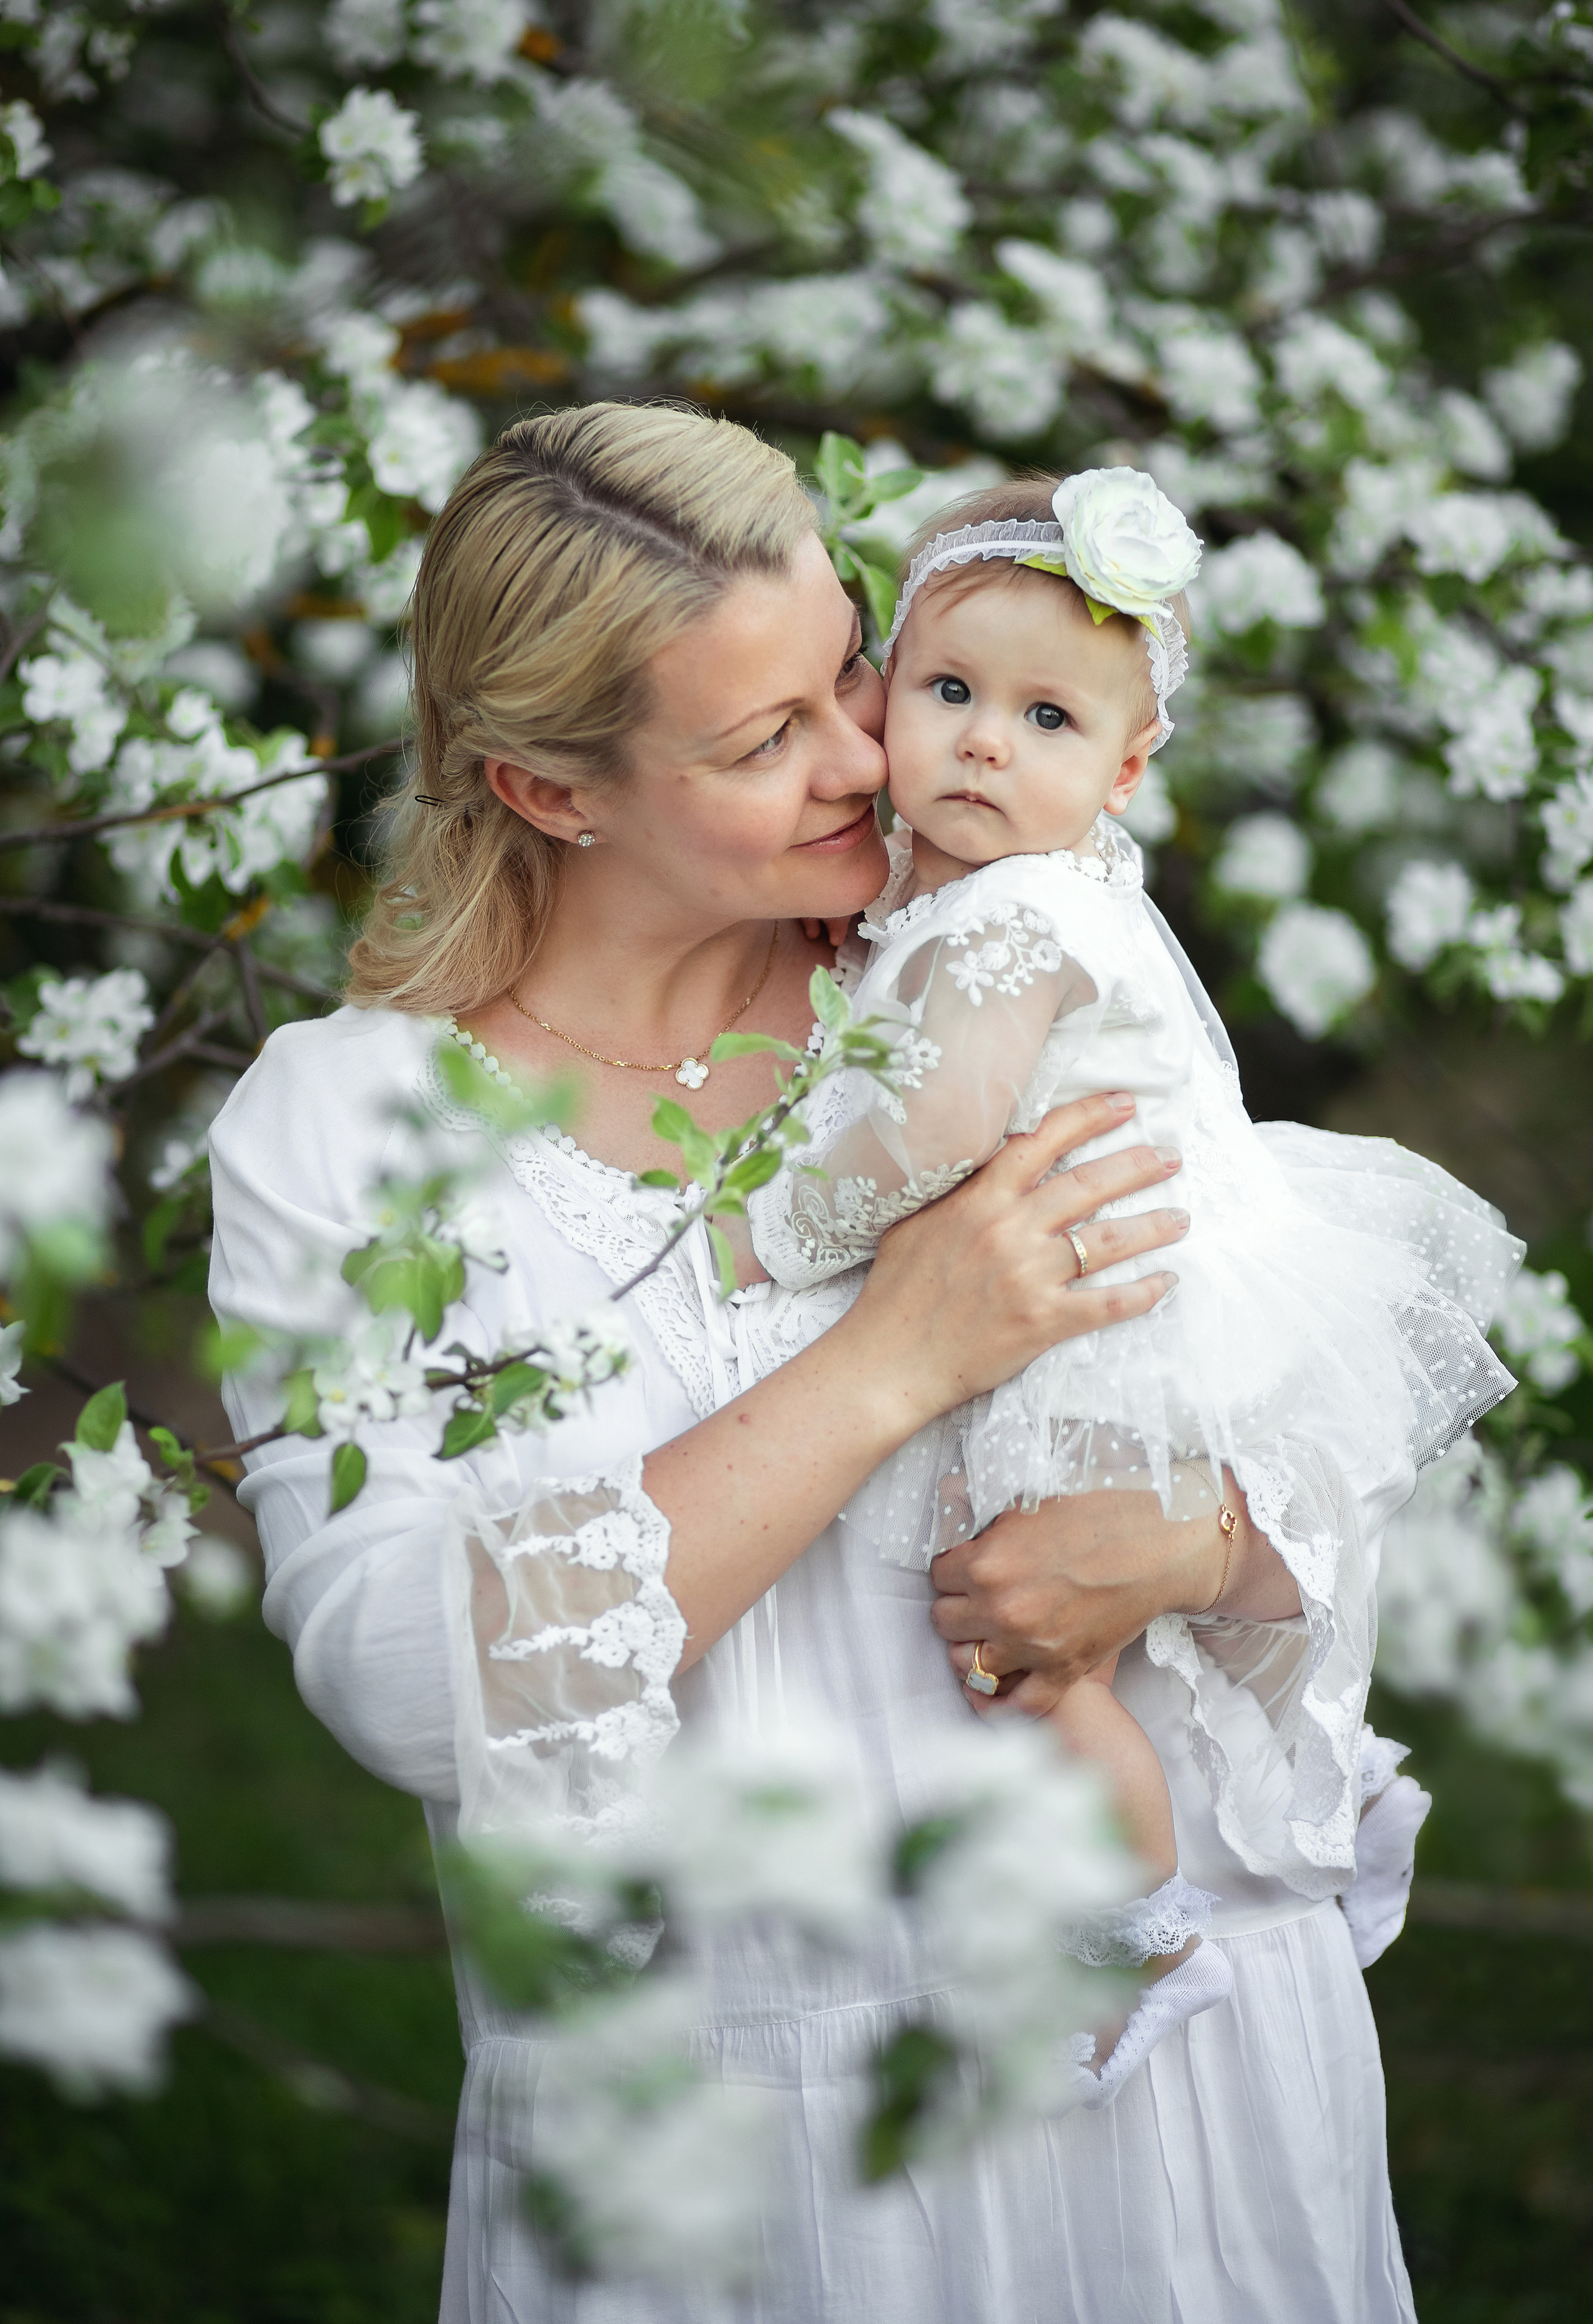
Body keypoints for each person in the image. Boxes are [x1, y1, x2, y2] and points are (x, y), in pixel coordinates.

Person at [208, 400, 1416, 2322]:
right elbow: (404, 1675)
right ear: (549, 790)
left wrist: (1199, 1550)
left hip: (1173, 2081)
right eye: (768, 741)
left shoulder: (985, 963)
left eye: (851, 671)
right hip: (757, 2162)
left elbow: (1304, 1392)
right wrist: (886, 1362)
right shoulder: (355, 1136)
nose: (875, 755)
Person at [747, 468, 1521, 2104]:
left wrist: (780, 1222)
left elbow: (928, 1128)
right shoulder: (999, 886)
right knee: (1055, 1651)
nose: (979, 745)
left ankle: (1148, 1934)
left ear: (1126, 765)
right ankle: (1317, 1791)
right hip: (1125, 1290)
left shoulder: (1024, 910)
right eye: (949, 692)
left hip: (1110, 1325)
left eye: (1043, 718)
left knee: (1037, 1657)